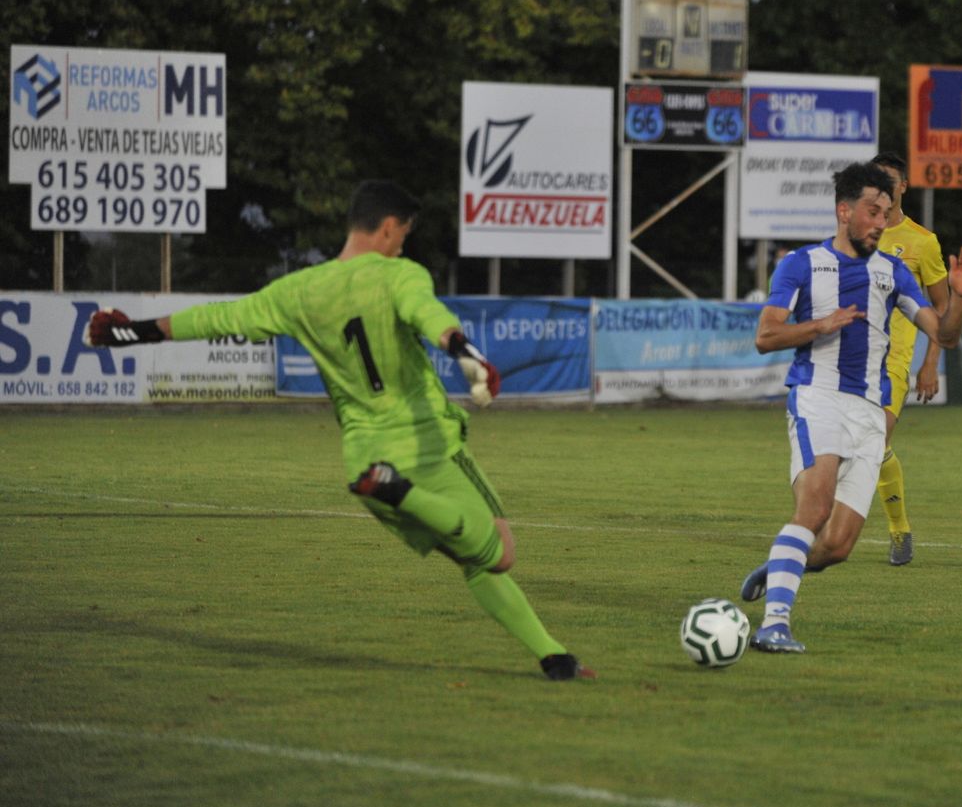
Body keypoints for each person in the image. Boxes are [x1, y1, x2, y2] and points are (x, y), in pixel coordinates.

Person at [85, 180, 594, 681]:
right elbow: (428, 315)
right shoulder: (399, 275)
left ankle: (553, 657)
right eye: (402, 237)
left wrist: (132, 332)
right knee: (498, 552)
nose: (401, 247)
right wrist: (464, 351)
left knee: (467, 556)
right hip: (428, 445)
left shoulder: (298, 291)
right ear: (389, 228)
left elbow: (220, 317)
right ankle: (404, 492)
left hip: (363, 458)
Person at [740, 162, 962, 653]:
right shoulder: (801, 264)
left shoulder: (893, 271)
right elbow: (766, 336)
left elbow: (944, 335)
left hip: (870, 413)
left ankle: (779, 564)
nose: (882, 222)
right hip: (818, 397)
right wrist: (819, 325)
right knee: (813, 509)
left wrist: (958, 299)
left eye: (886, 213)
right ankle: (774, 625)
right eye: (873, 213)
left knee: (836, 547)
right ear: (844, 211)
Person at [869, 152, 949, 566]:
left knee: (877, 439)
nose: (883, 187)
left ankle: (900, 532)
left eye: (890, 180)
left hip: (892, 360)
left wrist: (930, 361)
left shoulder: (922, 241)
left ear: (903, 186)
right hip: (848, 359)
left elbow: (942, 306)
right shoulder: (856, 232)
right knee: (845, 447)